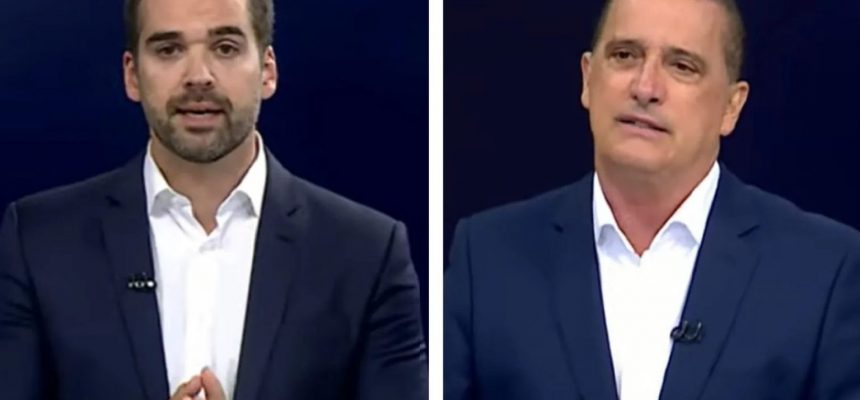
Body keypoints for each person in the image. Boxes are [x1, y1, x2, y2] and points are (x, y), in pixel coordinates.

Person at [0, 0, 427, 398]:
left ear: (267, 70)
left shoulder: (366, 253)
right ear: (132, 75)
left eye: (225, 48)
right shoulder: (39, 241)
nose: (198, 76)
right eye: (169, 50)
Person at [444, 0, 860, 398]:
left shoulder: (825, 271)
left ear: (731, 107)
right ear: (588, 79)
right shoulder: (487, 257)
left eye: (682, 66)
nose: (645, 88)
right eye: (625, 55)